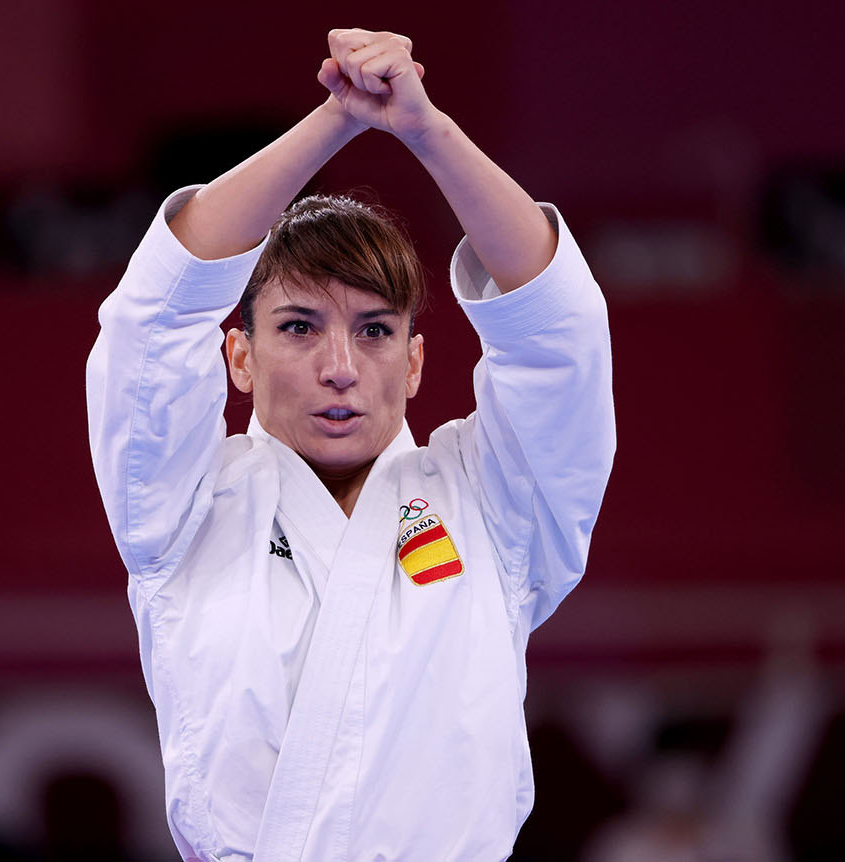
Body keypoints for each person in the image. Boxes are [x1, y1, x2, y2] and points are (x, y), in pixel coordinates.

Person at [86, 28, 616, 861]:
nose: (339, 368)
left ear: (412, 363)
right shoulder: (179, 507)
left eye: (373, 331)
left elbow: (558, 334)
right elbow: (153, 317)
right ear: (240, 357)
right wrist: (335, 119)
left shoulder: (496, 509)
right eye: (298, 327)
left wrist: (424, 129)